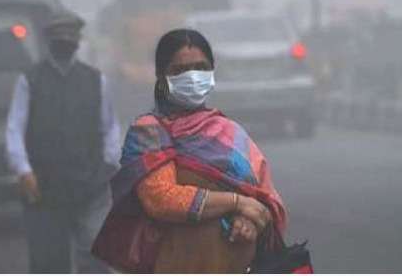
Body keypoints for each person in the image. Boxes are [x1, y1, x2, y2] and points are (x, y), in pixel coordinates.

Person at [92, 28, 288, 273]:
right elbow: (161, 198)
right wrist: (237, 203)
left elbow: (265, 199)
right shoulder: (148, 131)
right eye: (179, 70)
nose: (193, 78)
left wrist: (249, 220)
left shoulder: (232, 132)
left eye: (201, 67)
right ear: (161, 76)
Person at [5, 9, 121, 273]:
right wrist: (23, 170)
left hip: (90, 181)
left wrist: (109, 164)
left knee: (98, 252)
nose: (65, 41)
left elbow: (110, 126)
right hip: (44, 186)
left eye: (70, 36)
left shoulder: (95, 79)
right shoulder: (30, 80)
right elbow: (15, 129)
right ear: (49, 40)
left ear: (78, 41)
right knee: (48, 260)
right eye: (59, 36)